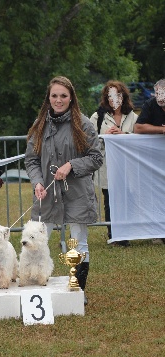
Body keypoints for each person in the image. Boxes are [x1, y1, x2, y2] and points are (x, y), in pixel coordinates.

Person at [25, 76, 103, 304]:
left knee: (79, 242)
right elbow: (31, 160)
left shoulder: (84, 124)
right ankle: (34, 286)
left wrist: (71, 165)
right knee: (38, 240)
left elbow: (96, 157)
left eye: (63, 96)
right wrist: (37, 181)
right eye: (54, 96)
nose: (58, 100)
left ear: (71, 98)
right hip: (47, 194)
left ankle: (77, 289)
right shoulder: (39, 125)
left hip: (77, 192)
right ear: (48, 98)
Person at [90, 80, 138, 247]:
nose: (114, 98)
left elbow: (139, 140)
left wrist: (123, 134)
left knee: (128, 199)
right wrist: (105, 137)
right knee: (109, 200)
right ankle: (114, 235)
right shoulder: (97, 117)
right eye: (110, 95)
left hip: (128, 167)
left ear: (123, 96)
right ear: (106, 97)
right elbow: (90, 141)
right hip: (107, 166)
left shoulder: (133, 116)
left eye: (118, 94)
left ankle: (127, 232)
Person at [134, 78, 165, 244]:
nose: (162, 103)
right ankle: (157, 232)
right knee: (155, 194)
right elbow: (138, 128)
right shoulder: (150, 104)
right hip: (154, 159)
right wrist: (162, 130)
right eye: (159, 98)